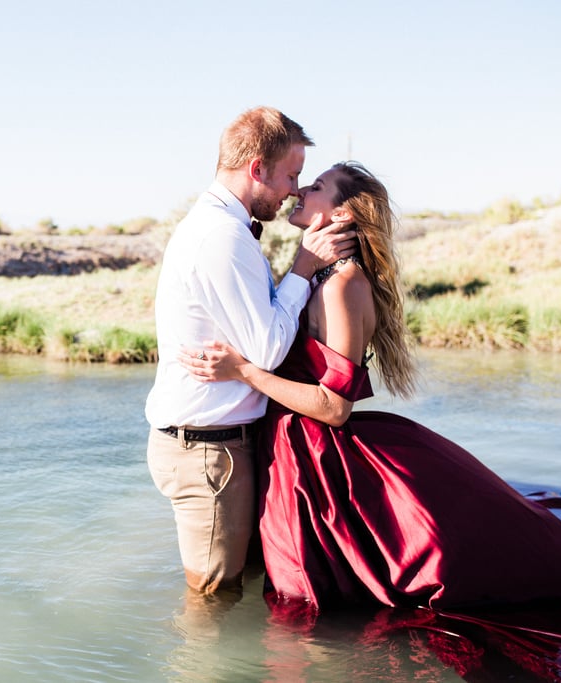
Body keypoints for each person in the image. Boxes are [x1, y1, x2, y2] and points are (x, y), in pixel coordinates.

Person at [179, 161, 561, 610]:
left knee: (306, 599)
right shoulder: (321, 277)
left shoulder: (342, 286)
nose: (299, 192)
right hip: (289, 450)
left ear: (341, 214)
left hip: (312, 461)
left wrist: (244, 372)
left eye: (316, 187)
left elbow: (335, 408)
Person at [144, 106, 356, 595]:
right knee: (213, 600)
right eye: (291, 175)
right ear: (256, 169)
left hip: (215, 445)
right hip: (209, 451)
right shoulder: (221, 236)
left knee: (234, 587)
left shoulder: (223, 229)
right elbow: (265, 349)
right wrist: (302, 268)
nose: (294, 190)